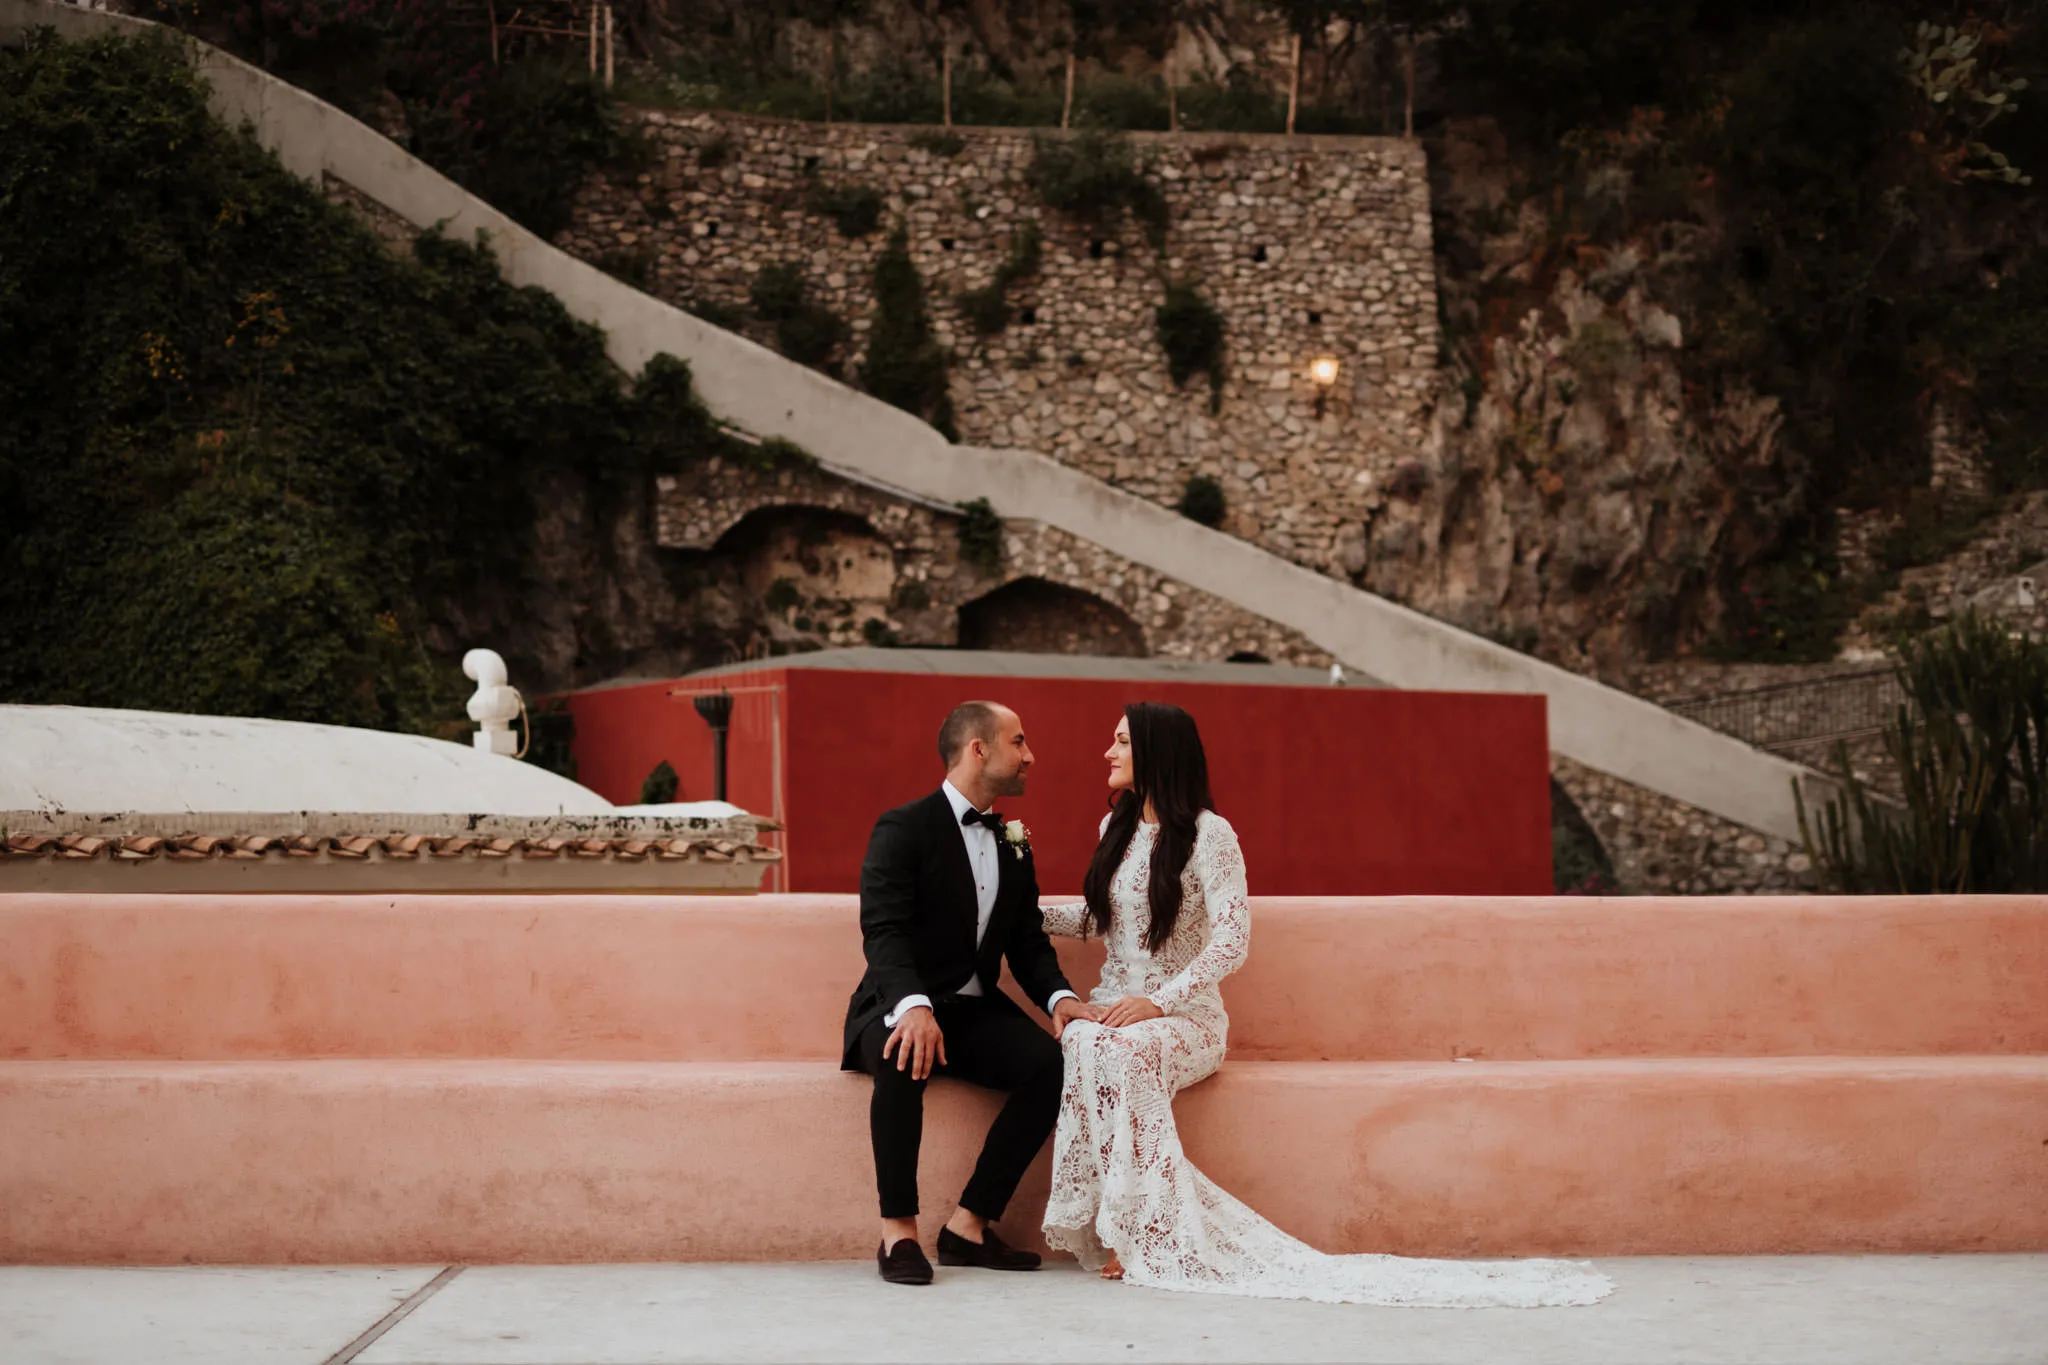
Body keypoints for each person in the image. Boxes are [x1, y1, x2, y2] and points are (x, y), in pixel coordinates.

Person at [1040, 702, 1613, 1307]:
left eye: (1122, 742)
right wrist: (1022, 915)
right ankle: (1120, 1222)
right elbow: (1100, 920)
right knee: (1085, 1039)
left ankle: (1142, 1236)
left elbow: (1232, 939)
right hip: (1115, 1008)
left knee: (1124, 1053)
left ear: (1157, 751)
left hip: (1186, 1019)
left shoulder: (1211, 835)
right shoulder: (1115, 831)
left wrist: (1159, 1002)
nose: (1109, 752)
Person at [843, 699, 1103, 1286]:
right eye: (1018, 742)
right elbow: (882, 931)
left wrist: (1062, 999)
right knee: (900, 1049)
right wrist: (911, 1006)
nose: (1030, 756)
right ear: (978, 748)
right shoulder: (903, 827)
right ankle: (898, 1234)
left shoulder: (1013, 840)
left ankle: (968, 1226)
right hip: (897, 1002)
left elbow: (1026, 942)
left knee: (1052, 1066)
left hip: (973, 1009)